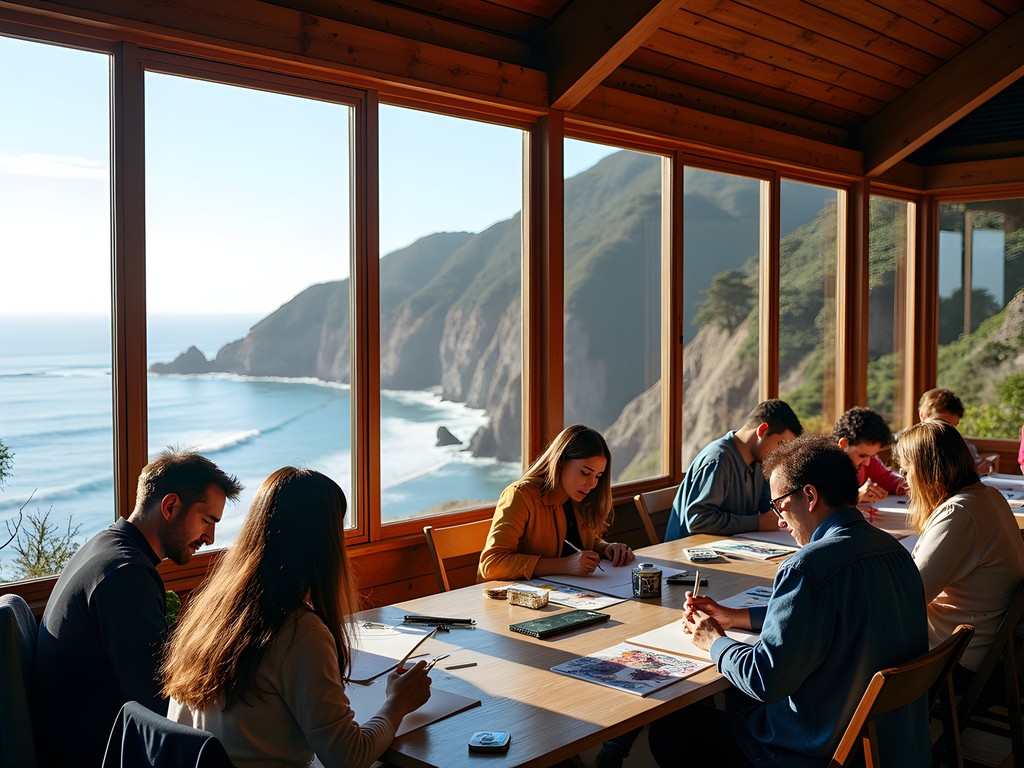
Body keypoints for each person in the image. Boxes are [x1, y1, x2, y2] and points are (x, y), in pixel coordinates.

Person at [649, 434, 930, 768]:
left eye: (780, 505)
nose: (780, 520)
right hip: (887, 745)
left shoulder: (807, 566)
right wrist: (735, 616)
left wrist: (714, 640)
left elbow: (766, 680)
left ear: (809, 496)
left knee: (670, 729)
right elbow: (828, 613)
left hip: (817, 750)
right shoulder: (895, 551)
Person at [164, 468, 432, 768]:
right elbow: (348, 758)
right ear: (323, 543)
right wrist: (398, 703)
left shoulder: (214, 609)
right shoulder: (298, 631)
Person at [34, 449, 242, 768]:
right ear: (171, 506)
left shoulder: (105, 546)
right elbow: (157, 701)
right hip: (98, 752)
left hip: (70, 736)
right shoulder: (127, 575)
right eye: (206, 520)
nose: (210, 537)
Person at [894, 420, 1024, 679]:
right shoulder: (988, 496)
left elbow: (909, 597)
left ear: (927, 471)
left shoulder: (959, 512)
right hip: (991, 649)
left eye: (906, 470)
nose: (904, 479)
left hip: (958, 659)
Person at [477, 424, 633, 581]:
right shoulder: (520, 496)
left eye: (598, 476)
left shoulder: (580, 497)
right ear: (560, 462)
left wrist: (606, 548)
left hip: (567, 595)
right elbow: (492, 564)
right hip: (517, 600)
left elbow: (579, 542)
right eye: (585, 473)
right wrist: (565, 565)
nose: (592, 484)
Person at [664, 399, 802, 541]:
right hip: (688, 554)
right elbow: (698, 520)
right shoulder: (718, 459)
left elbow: (767, 505)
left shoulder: (759, 461)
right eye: (781, 444)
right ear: (762, 430)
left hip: (728, 548)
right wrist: (758, 522)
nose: (781, 453)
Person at [831, 405, 906, 504]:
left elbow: (891, 481)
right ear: (843, 444)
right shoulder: (821, 462)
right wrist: (856, 496)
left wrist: (917, 485)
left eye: (872, 455)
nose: (867, 463)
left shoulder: (868, 463)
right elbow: (821, 502)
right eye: (863, 456)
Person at [918, 387, 997, 474]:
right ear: (923, 416)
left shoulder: (960, 443)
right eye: (941, 423)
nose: (947, 430)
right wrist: (975, 473)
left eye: (953, 426)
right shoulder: (912, 446)